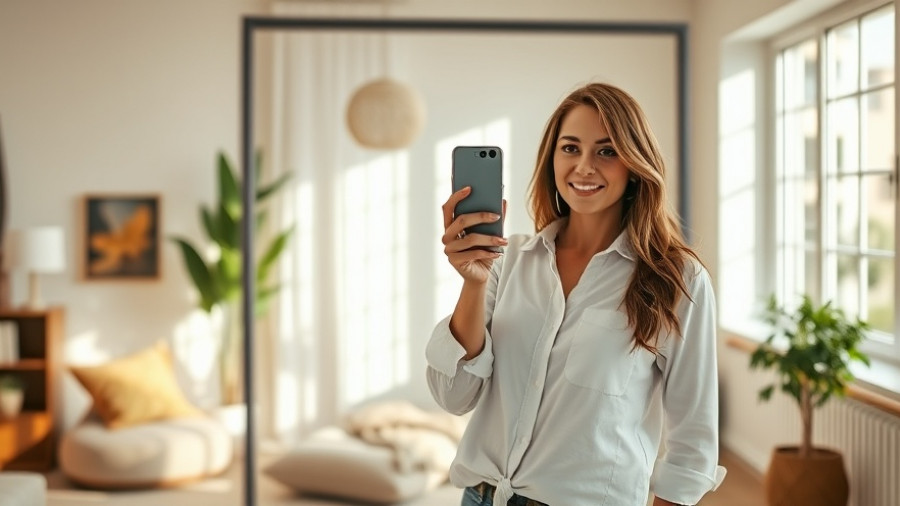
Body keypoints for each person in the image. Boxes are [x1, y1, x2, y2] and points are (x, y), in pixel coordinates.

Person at [425, 82, 726, 506]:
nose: (584, 167)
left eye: (606, 151)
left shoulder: (677, 279)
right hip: (481, 496)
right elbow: (454, 395)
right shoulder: (508, 263)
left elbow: (694, 441)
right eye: (570, 148)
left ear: (635, 164)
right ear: (552, 159)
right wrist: (473, 282)